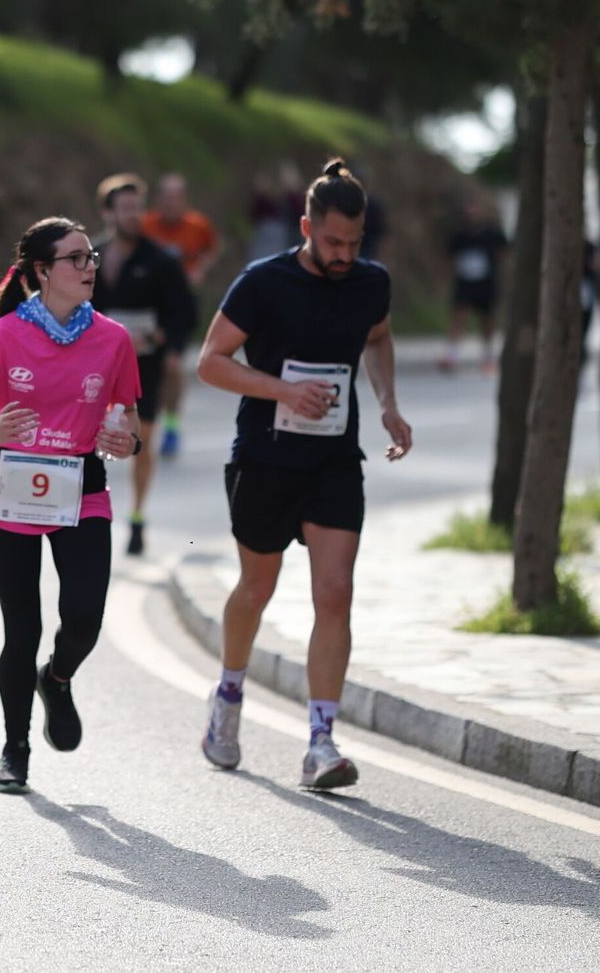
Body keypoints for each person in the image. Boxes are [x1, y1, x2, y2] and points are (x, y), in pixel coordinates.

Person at [194, 158, 413, 790]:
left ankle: (321, 740)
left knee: (335, 592)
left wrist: (388, 405)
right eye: (333, 242)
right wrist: (282, 392)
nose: (345, 254)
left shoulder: (371, 282)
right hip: (264, 456)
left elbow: (378, 339)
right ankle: (229, 698)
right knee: (257, 586)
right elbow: (211, 362)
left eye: (355, 242)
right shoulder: (263, 283)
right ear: (307, 227)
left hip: (335, 460)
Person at [0, 218, 142, 794]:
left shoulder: (114, 339)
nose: (90, 267)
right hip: (12, 492)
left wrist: (127, 440)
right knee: (20, 628)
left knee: (84, 618)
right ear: (43, 272)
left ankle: (56, 677)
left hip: (83, 487)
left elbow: (128, 423)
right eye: (76, 258)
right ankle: (15, 748)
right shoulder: (0, 339)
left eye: (91, 256)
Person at [89, 173, 194, 556]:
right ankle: (88, 511)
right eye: (126, 208)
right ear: (108, 212)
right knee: (84, 439)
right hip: (94, 367)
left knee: (140, 442)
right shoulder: (90, 258)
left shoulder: (161, 260)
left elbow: (183, 312)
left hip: (142, 365)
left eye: (138, 208)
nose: (134, 215)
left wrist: (159, 341)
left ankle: (136, 516)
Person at [141, 173, 219, 458]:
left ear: (183, 200)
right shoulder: (145, 225)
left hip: (182, 306)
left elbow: (211, 249)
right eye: (166, 197)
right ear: (159, 199)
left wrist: (199, 269)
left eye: (176, 197)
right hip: (151, 307)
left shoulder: (197, 226)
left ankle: (171, 426)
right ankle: (144, 422)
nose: (170, 203)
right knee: (149, 367)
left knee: (173, 366)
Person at [441, 196, 510, 373]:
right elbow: (449, 257)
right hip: (465, 282)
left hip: (486, 282)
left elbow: (504, 252)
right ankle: (452, 355)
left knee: (487, 320)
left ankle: (488, 357)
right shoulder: (459, 235)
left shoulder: (492, 233)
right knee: (459, 316)